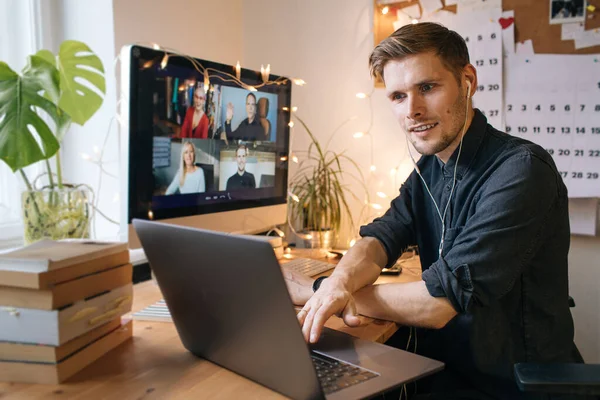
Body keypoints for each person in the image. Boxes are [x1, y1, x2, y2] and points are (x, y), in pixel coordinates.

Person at [283, 22, 578, 399]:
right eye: (397, 96)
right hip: (439, 369)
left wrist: (318, 291)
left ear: (467, 80)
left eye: (427, 87)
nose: (413, 111)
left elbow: (438, 304)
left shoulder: (522, 169)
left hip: (507, 386)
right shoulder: (430, 167)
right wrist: (338, 283)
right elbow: (380, 238)